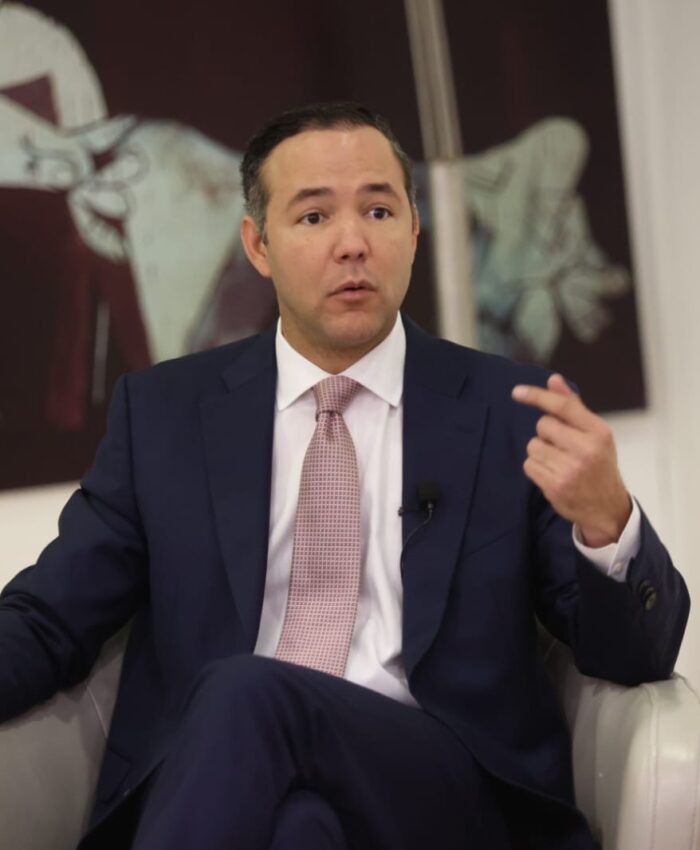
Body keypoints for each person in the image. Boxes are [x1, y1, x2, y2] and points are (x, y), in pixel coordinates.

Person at [0, 102, 689, 850]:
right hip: (234, 782)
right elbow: (51, 618)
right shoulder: (165, 416)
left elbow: (637, 657)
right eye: (314, 217)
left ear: (415, 232)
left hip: (446, 792)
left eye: (379, 210)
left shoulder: (511, 410)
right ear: (257, 245)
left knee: (247, 691)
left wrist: (607, 521)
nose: (353, 243)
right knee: (299, 826)